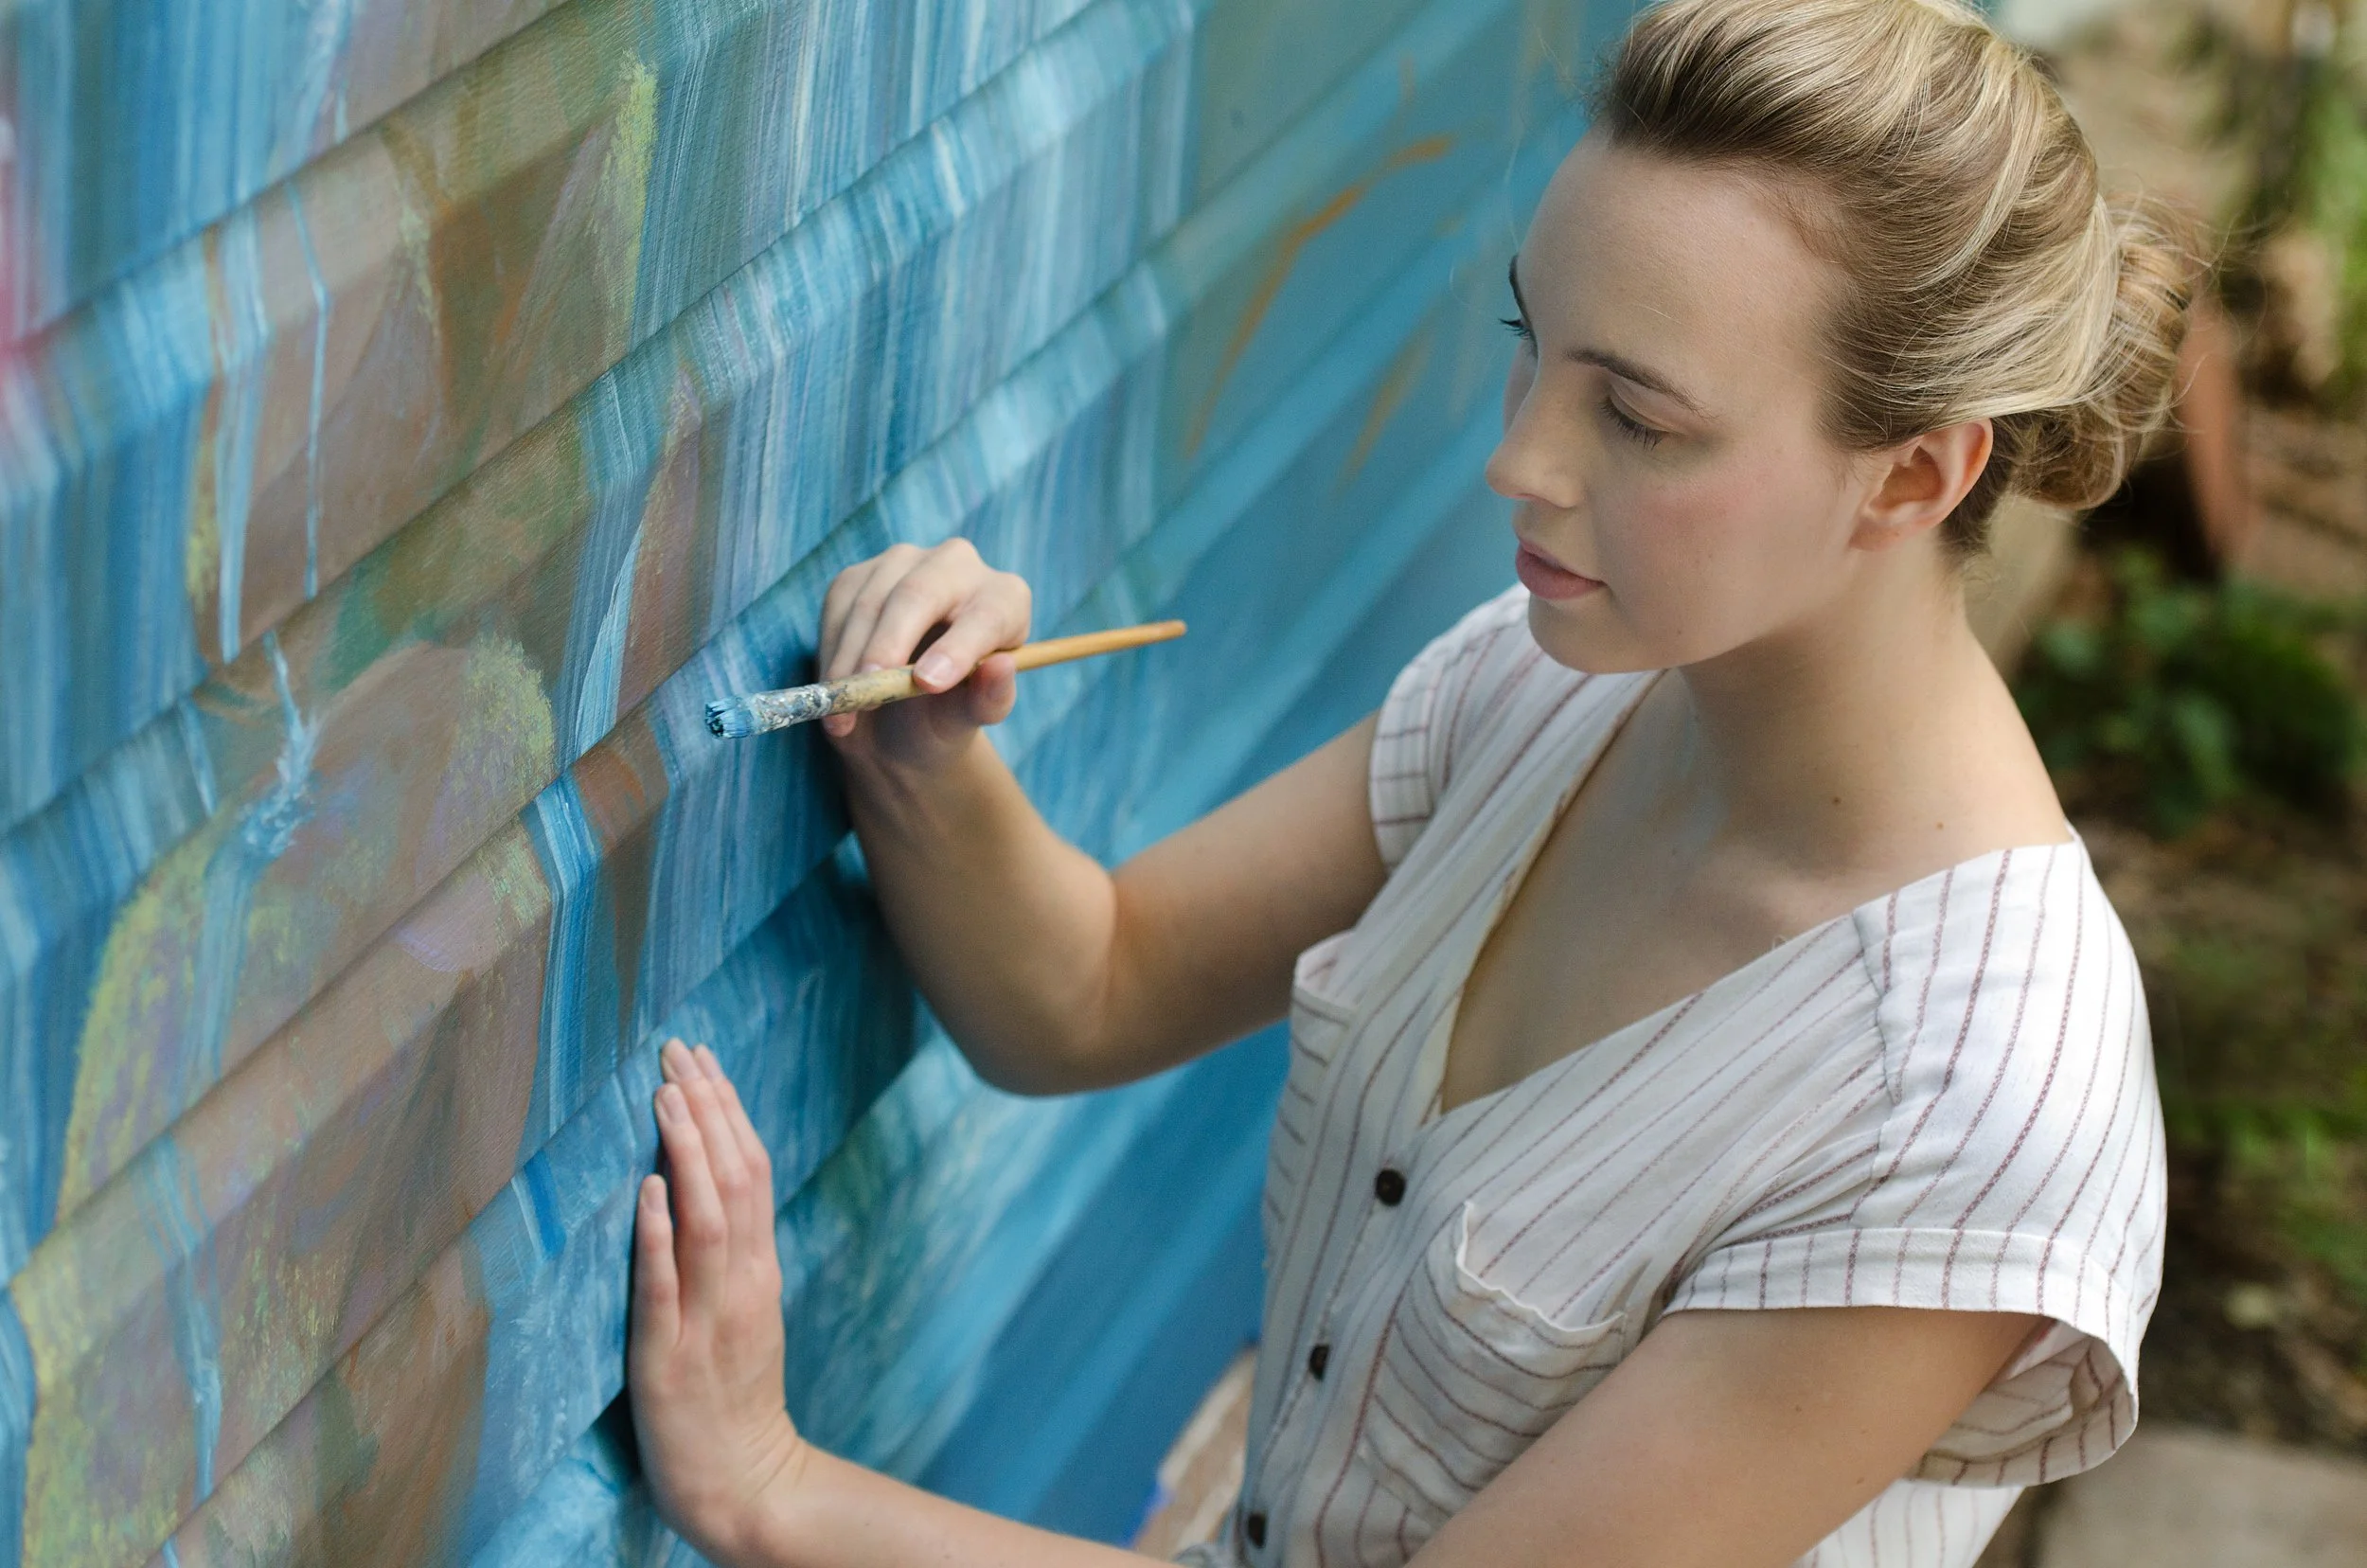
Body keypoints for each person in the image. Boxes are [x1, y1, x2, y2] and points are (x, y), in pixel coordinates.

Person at [624, 1, 2191, 1562]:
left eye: (1639, 417)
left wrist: (775, 1493)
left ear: (1916, 475)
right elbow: (1089, 989)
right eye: (1534, 347)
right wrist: (922, 750)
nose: (1520, 462)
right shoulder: (1548, 686)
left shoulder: (1968, 1110)